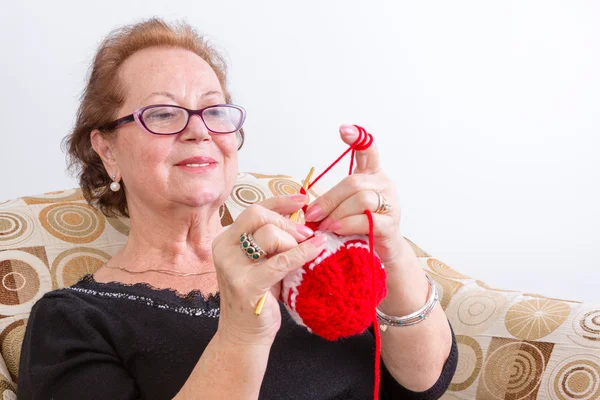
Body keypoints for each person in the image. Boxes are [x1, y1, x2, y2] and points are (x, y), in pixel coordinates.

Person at [18, 18, 457, 399]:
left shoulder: (307, 255)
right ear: (107, 150)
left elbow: (424, 381)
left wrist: (391, 249)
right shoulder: (72, 320)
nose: (199, 131)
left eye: (213, 110)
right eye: (164, 113)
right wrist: (242, 333)